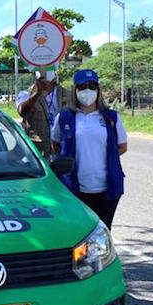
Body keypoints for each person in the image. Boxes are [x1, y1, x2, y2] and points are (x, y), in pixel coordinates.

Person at [51, 69, 127, 227]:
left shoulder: (111, 117)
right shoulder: (64, 117)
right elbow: (56, 144)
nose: (88, 90)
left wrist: (106, 158)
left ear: (98, 90)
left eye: (92, 86)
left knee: (102, 231)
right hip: (74, 189)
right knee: (78, 232)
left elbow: (122, 147)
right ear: (75, 90)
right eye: (83, 86)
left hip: (107, 189)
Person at [17, 69, 72, 158]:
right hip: (38, 154)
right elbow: (22, 112)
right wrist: (36, 94)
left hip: (62, 153)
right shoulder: (26, 94)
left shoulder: (69, 95)